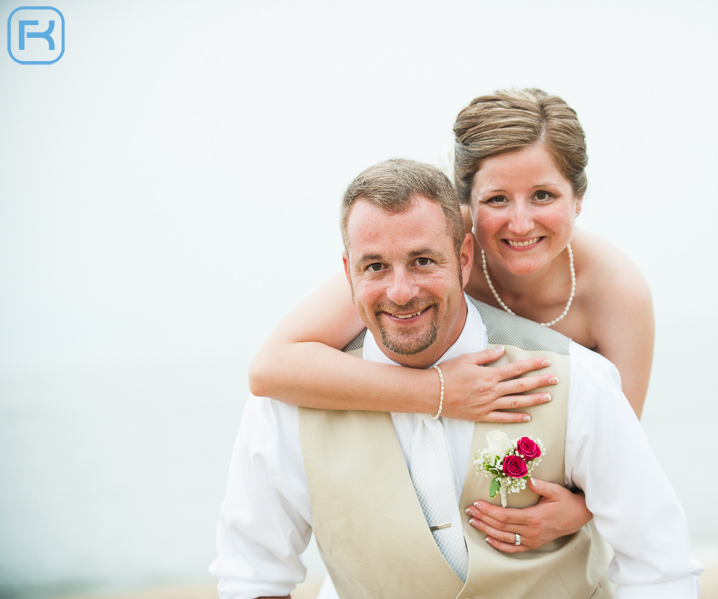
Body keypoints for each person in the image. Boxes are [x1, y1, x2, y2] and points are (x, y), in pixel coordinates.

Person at [211, 159, 702, 598]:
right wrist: (437, 393)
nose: (400, 292)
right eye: (375, 267)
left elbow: (660, 567)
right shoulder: (287, 406)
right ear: (348, 272)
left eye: (424, 261)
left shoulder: (578, 381)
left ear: (465, 258)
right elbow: (252, 576)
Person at [248, 89, 655, 550]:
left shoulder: (617, 293)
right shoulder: (428, 256)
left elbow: (621, 455)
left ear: (578, 197)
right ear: (466, 205)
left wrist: (576, 513)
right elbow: (271, 368)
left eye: (543, 195)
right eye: (497, 199)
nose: (520, 223)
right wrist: (440, 393)